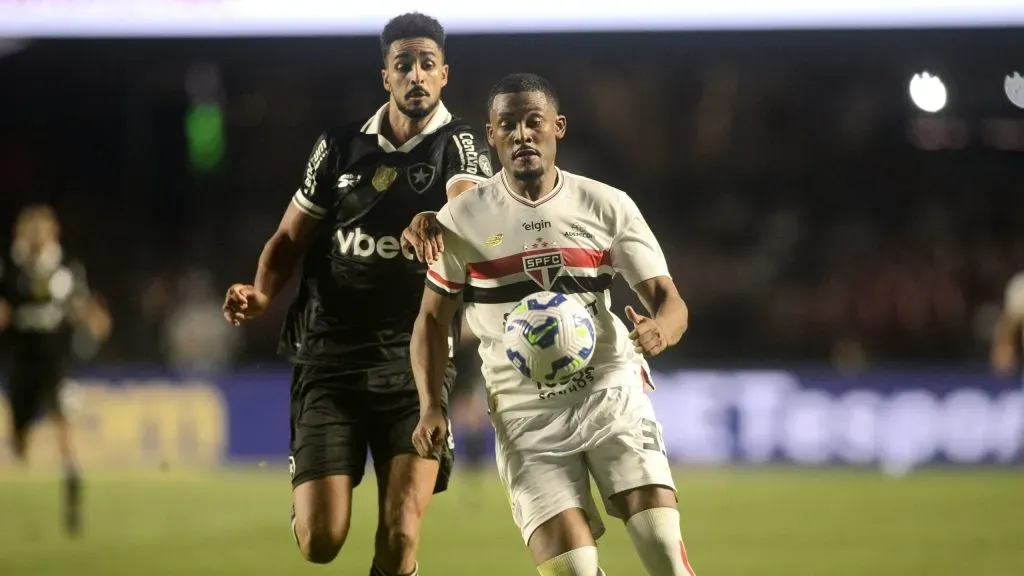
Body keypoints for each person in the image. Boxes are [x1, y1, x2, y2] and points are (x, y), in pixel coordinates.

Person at [220, 12, 492, 576]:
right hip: (329, 362)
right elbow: (289, 238)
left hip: (414, 366)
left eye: (426, 65)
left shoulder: (459, 143)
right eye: (403, 65)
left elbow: (469, 200)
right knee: (322, 542)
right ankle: (307, 502)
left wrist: (436, 217)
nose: (416, 75)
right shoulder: (339, 147)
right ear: (385, 77)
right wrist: (264, 295)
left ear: (444, 74)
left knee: (399, 535)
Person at [409, 73, 697, 576]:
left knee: (663, 551)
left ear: (557, 127)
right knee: (573, 570)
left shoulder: (607, 205)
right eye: (508, 126)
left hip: (610, 393)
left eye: (532, 122)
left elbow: (669, 301)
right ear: (492, 136)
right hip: (525, 420)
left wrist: (660, 330)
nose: (521, 135)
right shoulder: (460, 220)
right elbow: (432, 321)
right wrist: (431, 405)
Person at [0, 204, 111, 536]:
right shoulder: (9, 270)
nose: (36, 236)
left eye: (42, 230)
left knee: (65, 427)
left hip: (55, 364)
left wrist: (93, 318)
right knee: (19, 441)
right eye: (30, 230)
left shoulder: (66, 269)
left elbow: (82, 306)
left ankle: (73, 508)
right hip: (21, 362)